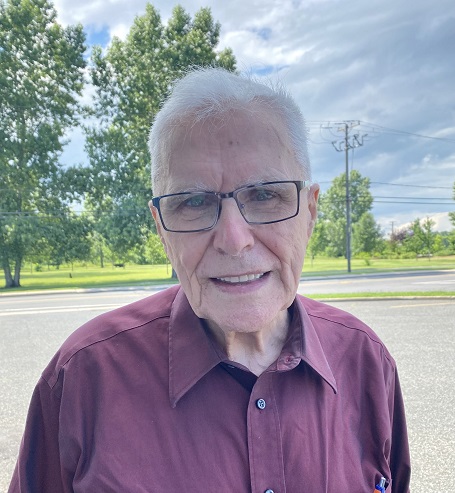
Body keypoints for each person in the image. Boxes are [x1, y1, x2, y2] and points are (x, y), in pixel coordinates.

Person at [9, 68, 411, 492]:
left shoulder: (366, 362)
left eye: (265, 195)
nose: (234, 241)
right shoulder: (83, 377)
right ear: (161, 228)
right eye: (194, 202)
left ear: (309, 213)